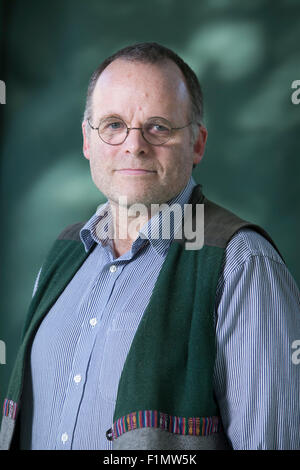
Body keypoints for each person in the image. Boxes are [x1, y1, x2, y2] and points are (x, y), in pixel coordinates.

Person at [1, 42, 300, 451]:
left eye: (158, 126)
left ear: (197, 144)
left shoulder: (241, 265)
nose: (134, 145)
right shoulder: (64, 255)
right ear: (88, 141)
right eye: (112, 125)